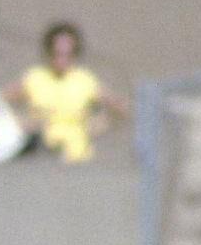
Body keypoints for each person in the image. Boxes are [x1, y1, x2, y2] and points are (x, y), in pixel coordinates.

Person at [9, 21, 127, 163]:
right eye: (56, 53)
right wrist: (21, 122)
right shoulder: (35, 78)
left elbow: (119, 107)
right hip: (41, 156)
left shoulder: (84, 80)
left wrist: (97, 125)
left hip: (76, 158)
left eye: (67, 54)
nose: (61, 59)